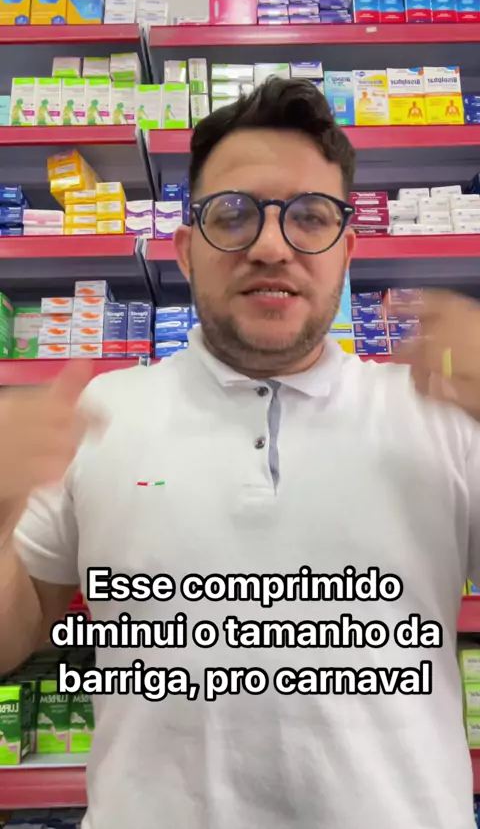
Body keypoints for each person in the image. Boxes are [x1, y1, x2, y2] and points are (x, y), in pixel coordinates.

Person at [1, 77, 480, 829]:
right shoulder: (98, 413)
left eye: (310, 217)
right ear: (186, 250)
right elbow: (16, 628)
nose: (270, 246)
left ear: (346, 250)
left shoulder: (443, 417)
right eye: (232, 214)